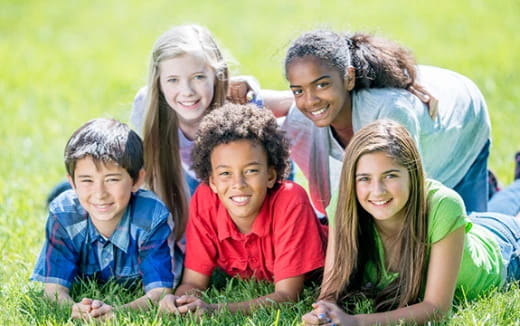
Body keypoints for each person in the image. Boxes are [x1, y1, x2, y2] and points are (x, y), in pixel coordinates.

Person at [231, 29, 490, 216]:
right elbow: (337, 210)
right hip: (419, 131)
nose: (309, 101)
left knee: (469, 232)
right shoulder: (306, 116)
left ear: (349, 79)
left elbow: (408, 202)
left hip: (461, 126)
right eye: (299, 90)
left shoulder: (389, 114)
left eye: (322, 84)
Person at [301, 119, 520, 326]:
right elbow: (330, 292)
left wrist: (356, 321)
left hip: (505, 248)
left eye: (390, 176)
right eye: (365, 178)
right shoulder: (345, 203)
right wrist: (323, 313)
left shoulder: (444, 204)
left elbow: (436, 308)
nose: (377, 191)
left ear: (413, 174)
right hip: (460, 231)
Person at [158, 103, 327, 315]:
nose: (238, 184)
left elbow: (287, 296)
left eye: (251, 170)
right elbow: (193, 281)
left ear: (271, 176)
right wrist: (183, 302)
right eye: (225, 174)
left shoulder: (290, 199)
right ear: (212, 181)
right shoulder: (205, 199)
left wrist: (214, 310)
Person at [31, 118, 179, 320]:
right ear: (73, 183)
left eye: (112, 179)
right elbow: (53, 291)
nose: (100, 193)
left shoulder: (150, 216)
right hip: (72, 204)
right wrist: (74, 308)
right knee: (59, 196)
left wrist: (117, 313)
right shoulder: (64, 214)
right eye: (86, 180)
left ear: (137, 180)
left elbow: (160, 292)